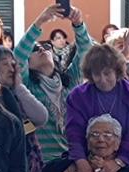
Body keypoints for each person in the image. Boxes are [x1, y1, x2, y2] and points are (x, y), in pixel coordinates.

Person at [66, 43, 129, 172]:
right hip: (86, 159)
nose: (102, 79)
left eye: (107, 73)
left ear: (117, 72)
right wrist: (81, 162)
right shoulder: (78, 96)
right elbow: (74, 132)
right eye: (97, 74)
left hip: (127, 161)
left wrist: (117, 163)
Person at [14, 3, 92, 162]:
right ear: (28, 64)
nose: (42, 49)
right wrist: (40, 22)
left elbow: (87, 53)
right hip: (42, 162)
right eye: (35, 50)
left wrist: (78, 24)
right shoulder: (28, 85)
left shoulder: (71, 81)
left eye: (46, 47)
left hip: (74, 161)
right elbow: (17, 58)